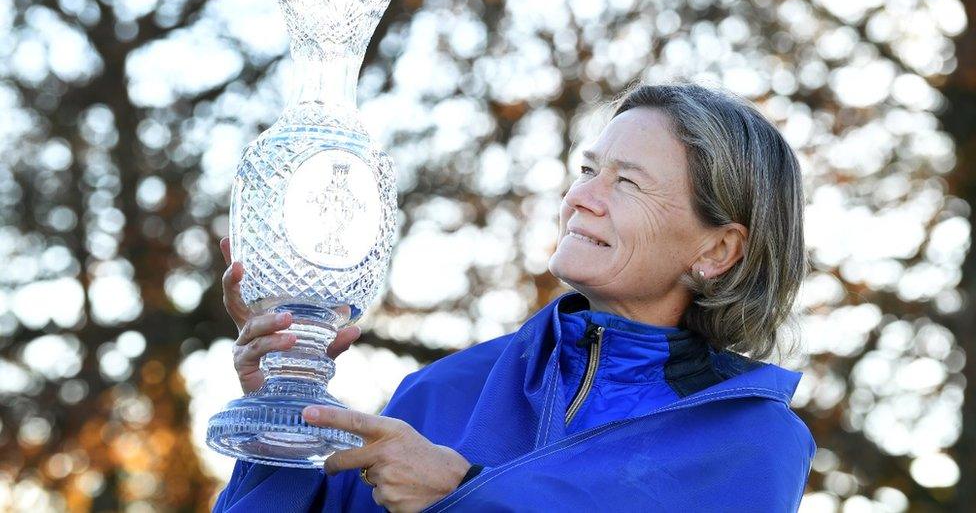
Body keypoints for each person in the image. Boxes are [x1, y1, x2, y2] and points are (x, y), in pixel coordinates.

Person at [213, 82, 815, 512]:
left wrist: (463, 494)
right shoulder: (442, 391)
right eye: (587, 170)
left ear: (717, 251)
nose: (583, 197)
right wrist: (279, 421)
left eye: (627, 182)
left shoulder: (751, 443)